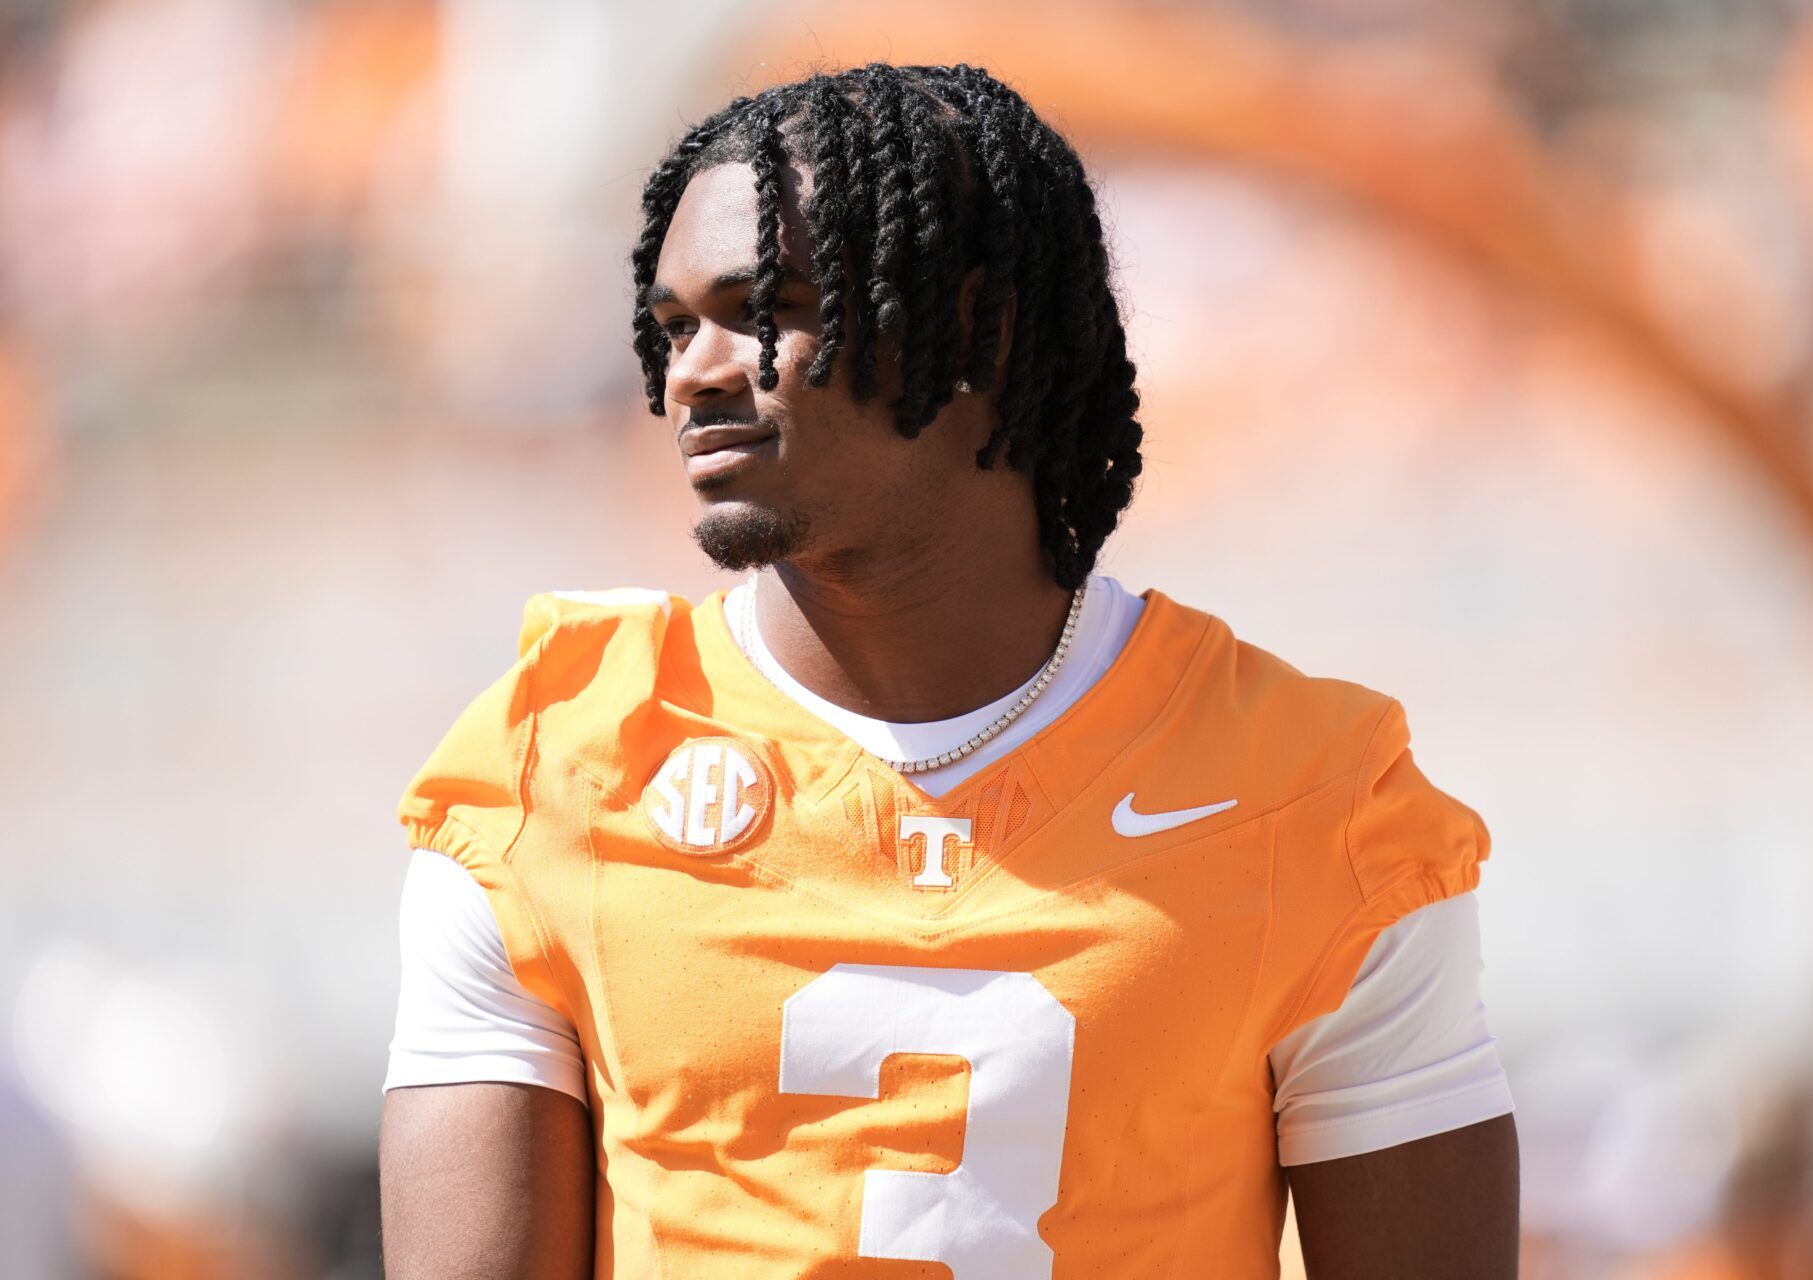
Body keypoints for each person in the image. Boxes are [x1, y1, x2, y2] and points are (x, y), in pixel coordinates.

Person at [378, 62, 1519, 1279]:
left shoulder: (1312, 795)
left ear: (979, 326)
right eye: (671, 327)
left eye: (764, 307)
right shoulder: (552, 763)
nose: (693, 374)